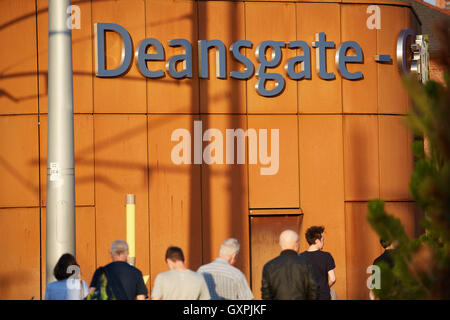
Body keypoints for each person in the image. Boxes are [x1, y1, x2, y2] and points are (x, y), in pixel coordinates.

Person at [261, 230, 318, 300]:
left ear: (280, 244)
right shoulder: (306, 264)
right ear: (296, 244)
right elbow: (314, 291)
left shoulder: (269, 266)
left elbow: (266, 295)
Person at [299, 226, 336, 300]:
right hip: (323, 296)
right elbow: (332, 279)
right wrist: (325, 287)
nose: (323, 242)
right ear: (317, 241)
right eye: (322, 240)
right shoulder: (326, 256)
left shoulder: (300, 257)